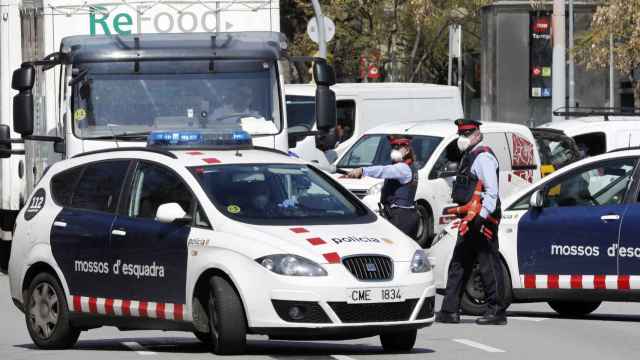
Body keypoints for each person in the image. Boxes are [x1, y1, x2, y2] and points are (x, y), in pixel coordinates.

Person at [436, 118, 507, 326]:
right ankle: (449, 310)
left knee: (488, 263)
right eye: (461, 134)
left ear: (477, 134)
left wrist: (481, 217)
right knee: (459, 261)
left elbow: (492, 193)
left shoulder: (483, 157)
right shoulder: (470, 155)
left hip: (482, 217)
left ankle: (496, 311)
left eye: (466, 134)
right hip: (469, 217)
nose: (462, 138)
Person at [345, 136, 419, 239]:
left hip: (401, 217)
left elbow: (383, 170)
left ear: (406, 150)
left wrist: (363, 170)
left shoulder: (403, 168)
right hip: (405, 215)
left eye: (398, 147)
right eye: (393, 147)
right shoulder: (407, 167)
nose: (394, 150)